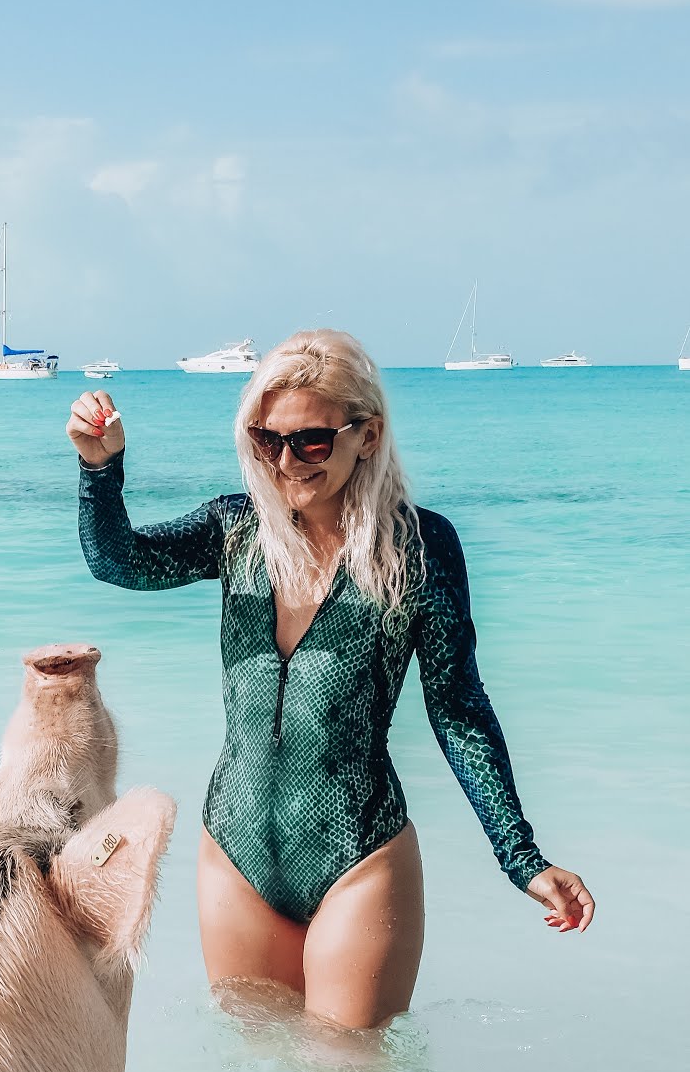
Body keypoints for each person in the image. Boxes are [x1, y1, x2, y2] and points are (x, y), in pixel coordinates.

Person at [66, 329, 593, 1031]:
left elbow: (457, 708)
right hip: (235, 850)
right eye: (266, 439)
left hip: (357, 856)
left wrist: (520, 858)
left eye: (311, 441)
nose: (287, 461)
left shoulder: (417, 547)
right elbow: (119, 562)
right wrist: (100, 471)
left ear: (365, 435)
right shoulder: (236, 530)